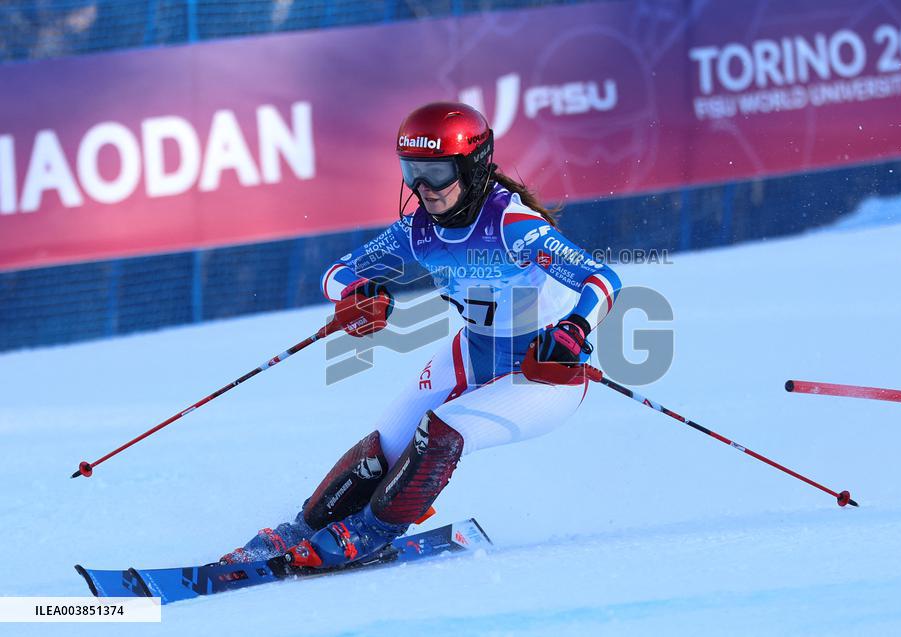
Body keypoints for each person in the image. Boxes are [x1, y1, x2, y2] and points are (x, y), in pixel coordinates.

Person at [219, 102, 622, 569]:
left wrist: (573, 328)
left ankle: (371, 532)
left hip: (543, 374)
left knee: (442, 432)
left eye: (437, 172)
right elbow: (337, 272)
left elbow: (603, 279)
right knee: (383, 449)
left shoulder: (513, 226)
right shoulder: (417, 231)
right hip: (473, 353)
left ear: (472, 167)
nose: (423, 188)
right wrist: (355, 293)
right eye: (412, 171)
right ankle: (301, 530)